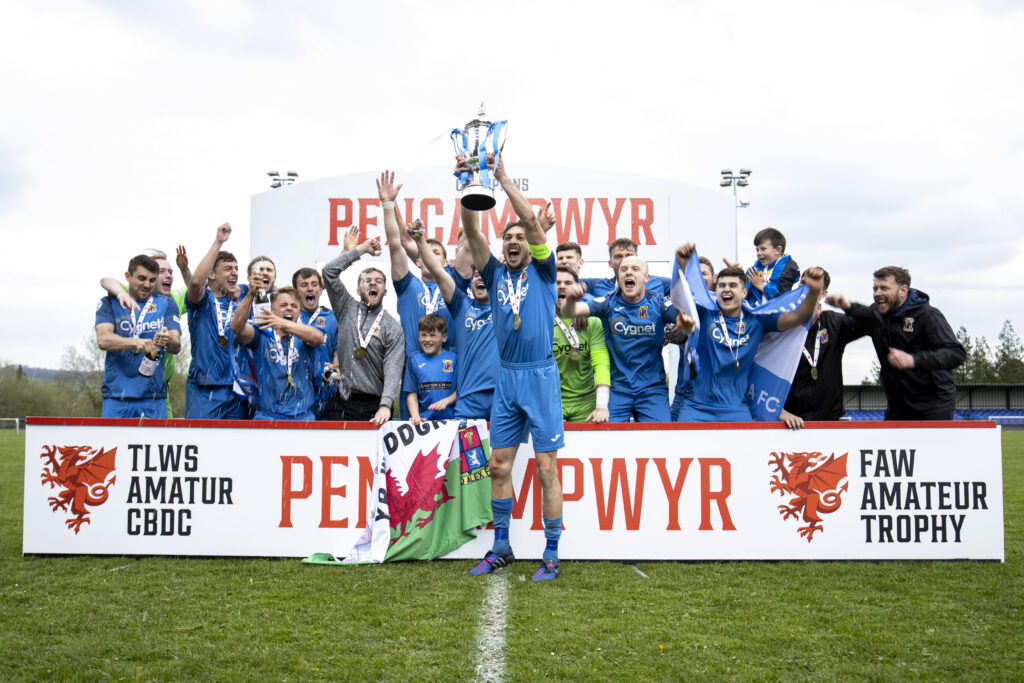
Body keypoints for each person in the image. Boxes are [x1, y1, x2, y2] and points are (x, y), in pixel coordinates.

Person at [461, 154, 564, 581]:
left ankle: (552, 552)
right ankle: (501, 547)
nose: (514, 241)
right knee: (499, 465)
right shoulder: (494, 272)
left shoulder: (544, 271)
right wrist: (470, 184)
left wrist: (502, 178)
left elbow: (537, 227)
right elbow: (470, 229)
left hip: (540, 376)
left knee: (545, 469)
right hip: (507, 377)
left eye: (521, 235)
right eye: (508, 237)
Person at [674, 243, 824, 422]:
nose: (726, 289)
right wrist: (682, 264)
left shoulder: (757, 319)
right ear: (716, 290)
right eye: (721, 285)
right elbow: (683, 298)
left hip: (735, 410)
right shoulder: (704, 311)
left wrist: (813, 292)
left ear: (744, 292)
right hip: (696, 408)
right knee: (690, 451)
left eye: (732, 285)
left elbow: (798, 316)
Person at [826, 266, 965, 421]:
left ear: (903, 290)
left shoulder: (928, 316)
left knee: (930, 445)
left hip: (934, 405)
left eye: (884, 288)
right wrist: (846, 306)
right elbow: (863, 317)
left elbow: (956, 353)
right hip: (898, 406)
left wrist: (914, 360)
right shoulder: (877, 316)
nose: (877, 293)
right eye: (875, 288)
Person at [376, 170, 456, 419]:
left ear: (446, 263)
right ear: (419, 260)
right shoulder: (407, 285)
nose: (430, 257)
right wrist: (388, 205)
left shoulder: (455, 287)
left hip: (449, 372)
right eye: (426, 253)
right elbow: (395, 242)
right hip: (414, 372)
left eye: (437, 253)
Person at [562, 256, 681, 422]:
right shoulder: (608, 302)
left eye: (635, 269)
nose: (628, 273)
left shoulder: (658, 302)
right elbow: (569, 311)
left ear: (647, 278)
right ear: (618, 277)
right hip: (618, 388)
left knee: (661, 437)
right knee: (606, 435)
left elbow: (684, 319)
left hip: (652, 389)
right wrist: (570, 300)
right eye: (624, 270)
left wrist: (685, 325)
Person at [410, 222, 498, 421]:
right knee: (463, 452)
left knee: (502, 454)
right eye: (475, 275)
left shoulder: (505, 305)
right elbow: (438, 271)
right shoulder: (461, 305)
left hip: (502, 396)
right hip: (468, 399)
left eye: (484, 274)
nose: (479, 278)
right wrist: (419, 239)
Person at [321, 227, 404, 426]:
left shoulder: (392, 327)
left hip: (375, 406)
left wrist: (386, 404)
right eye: (367, 281)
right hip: (343, 400)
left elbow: (393, 369)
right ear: (358, 290)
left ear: (385, 291)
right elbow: (328, 272)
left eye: (378, 282)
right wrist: (361, 250)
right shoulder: (346, 308)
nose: (373, 284)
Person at [99, 248, 192, 417]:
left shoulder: (169, 302)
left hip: (155, 395)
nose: (147, 284)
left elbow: (196, 290)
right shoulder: (115, 299)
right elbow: (103, 339)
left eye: (152, 279)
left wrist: (167, 340)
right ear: (129, 277)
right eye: (142, 278)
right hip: (117, 395)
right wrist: (137, 343)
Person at [779, 269, 864, 429]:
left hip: (830, 422)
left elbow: (869, 324)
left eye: (814, 286)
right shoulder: (780, 323)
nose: (807, 289)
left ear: (823, 294)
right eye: (803, 283)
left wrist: (848, 307)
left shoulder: (834, 323)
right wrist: (779, 411)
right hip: (790, 424)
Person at [230, 284, 323, 420]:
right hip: (267, 416)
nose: (289, 308)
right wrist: (250, 295)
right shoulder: (261, 334)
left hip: (302, 417)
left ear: (299, 312)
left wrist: (282, 323)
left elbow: (318, 338)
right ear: (272, 310)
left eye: (294, 306)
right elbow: (236, 327)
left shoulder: (304, 335)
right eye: (284, 305)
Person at [184, 223, 248, 419]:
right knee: (202, 446)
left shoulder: (241, 307)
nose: (234, 272)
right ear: (211, 274)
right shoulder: (202, 303)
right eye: (227, 268)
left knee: (236, 449)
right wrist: (218, 243)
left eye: (236, 269)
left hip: (237, 392)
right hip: (204, 389)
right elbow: (195, 283)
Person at [553, 267, 610, 422]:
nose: (562, 286)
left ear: (577, 289)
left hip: (586, 405)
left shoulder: (592, 321)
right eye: (556, 282)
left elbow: (601, 364)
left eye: (568, 283)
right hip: (552, 403)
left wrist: (601, 405)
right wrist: (546, 410)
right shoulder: (541, 322)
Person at [669, 255, 717, 420]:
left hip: (716, 397)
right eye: (693, 277)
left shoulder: (727, 309)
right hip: (684, 393)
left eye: (703, 274)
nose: (699, 279)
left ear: (714, 278)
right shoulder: (680, 310)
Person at [292, 267, 339, 419]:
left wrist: (336, 368)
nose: (310, 288)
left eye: (314, 284)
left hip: (326, 393)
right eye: (304, 285)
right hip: (296, 394)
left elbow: (339, 352)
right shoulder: (288, 318)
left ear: (321, 289)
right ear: (296, 291)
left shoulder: (333, 318)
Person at [404, 314, 458, 424]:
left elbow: (462, 390)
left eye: (432, 335)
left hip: (453, 422)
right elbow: (411, 393)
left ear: (444, 337)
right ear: (418, 337)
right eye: (423, 335)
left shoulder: (455, 357)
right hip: (426, 423)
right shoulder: (414, 359)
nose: (427, 340)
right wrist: (415, 416)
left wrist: (446, 401)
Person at [726, 227, 800, 306]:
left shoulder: (788, 268)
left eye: (763, 249)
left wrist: (760, 285)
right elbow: (744, 291)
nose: (759, 253)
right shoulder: (756, 268)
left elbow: (782, 298)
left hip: (776, 315)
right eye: (757, 250)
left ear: (778, 250)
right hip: (754, 314)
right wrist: (738, 275)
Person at [580, 238, 672, 299]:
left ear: (637, 260)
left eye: (629, 255)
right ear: (610, 263)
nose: (624, 260)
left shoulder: (658, 283)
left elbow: (684, 285)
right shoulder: (597, 285)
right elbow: (568, 282)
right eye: (618, 256)